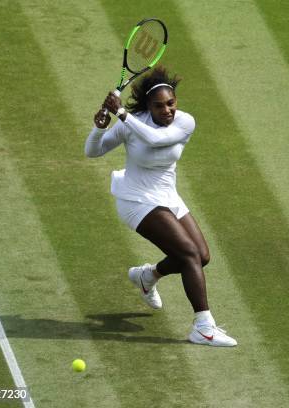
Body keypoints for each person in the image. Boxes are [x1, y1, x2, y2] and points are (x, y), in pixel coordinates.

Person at [84, 67, 236, 347]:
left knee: (201, 257)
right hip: (136, 200)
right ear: (148, 107)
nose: (167, 110)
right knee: (188, 253)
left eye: (171, 103)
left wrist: (120, 113)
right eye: (159, 105)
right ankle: (203, 327)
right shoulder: (133, 122)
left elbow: (156, 139)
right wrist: (99, 127)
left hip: (168, 197)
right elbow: (92, 151)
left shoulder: (184, 122)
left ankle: (147, 276)